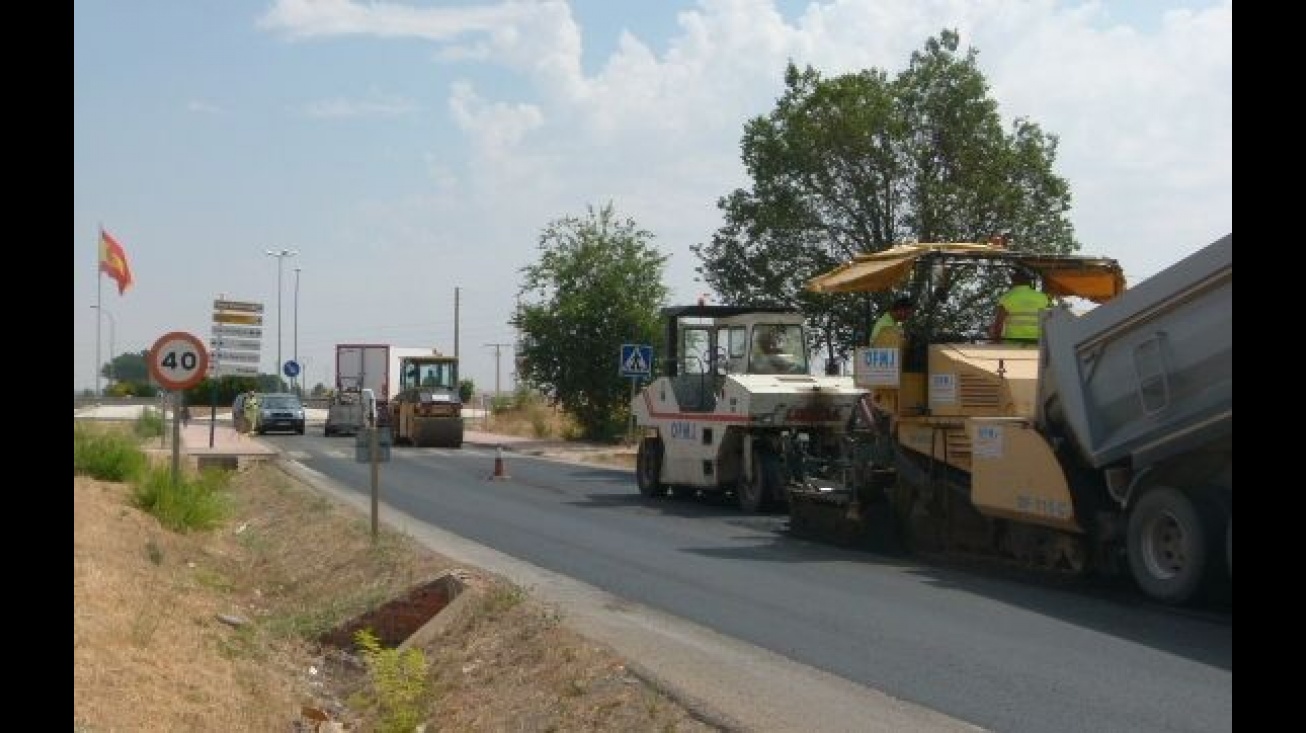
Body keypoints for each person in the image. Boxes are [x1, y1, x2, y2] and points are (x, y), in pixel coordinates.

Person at [990, 270, 1053, 343]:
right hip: (1037, 342)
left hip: (1013, 343)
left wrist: (996, 340)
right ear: (1029, 283)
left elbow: (999, 323)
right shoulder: (1042, 297)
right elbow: (1049, 321)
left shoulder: (1007, 297)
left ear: (1014, 282)